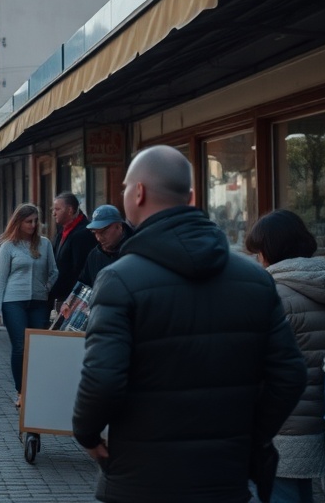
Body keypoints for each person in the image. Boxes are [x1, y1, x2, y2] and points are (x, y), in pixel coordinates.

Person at [72, 146, 306, 503]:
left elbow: (102, 378)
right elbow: (290, 375)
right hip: (224, 478)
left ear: (138, 193)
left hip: (142, 480)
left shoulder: (119, 280)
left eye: (124, 187)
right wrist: (250, 436)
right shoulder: (254, 278)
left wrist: (87, 435)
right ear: (192, 197)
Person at [246, 210, 325, 503]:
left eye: (259, 252)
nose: (259, 259)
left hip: (279, 427)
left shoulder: (270, 298)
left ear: (271, 251)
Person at [0, 203, 58, 408]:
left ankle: (36, 389)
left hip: (39, 302)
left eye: (35, 221)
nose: (33, 224)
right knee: (20, 346)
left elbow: (54, 271)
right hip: (13, 301)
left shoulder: (44, 243)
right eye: (28, 221)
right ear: (18, 222)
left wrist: (45, 287)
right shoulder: (8, 246)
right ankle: (21, 392)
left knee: (37, 346)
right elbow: (0, 279)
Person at [57, 204, 132, 323]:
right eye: (95, 233)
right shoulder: (95, 254)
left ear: (119, 227)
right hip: (102, 317)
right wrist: (70, 302)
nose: (99, 238)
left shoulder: (136, 250)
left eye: (103, 232)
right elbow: (84, 282)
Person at [48, 192, 98, 312]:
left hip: (74, 300)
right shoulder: (62, 231)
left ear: (70, 210)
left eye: (57, 209)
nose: (53, 213)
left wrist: (72, 299)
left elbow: (80, 270)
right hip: (61, 297)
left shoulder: (83, 233)